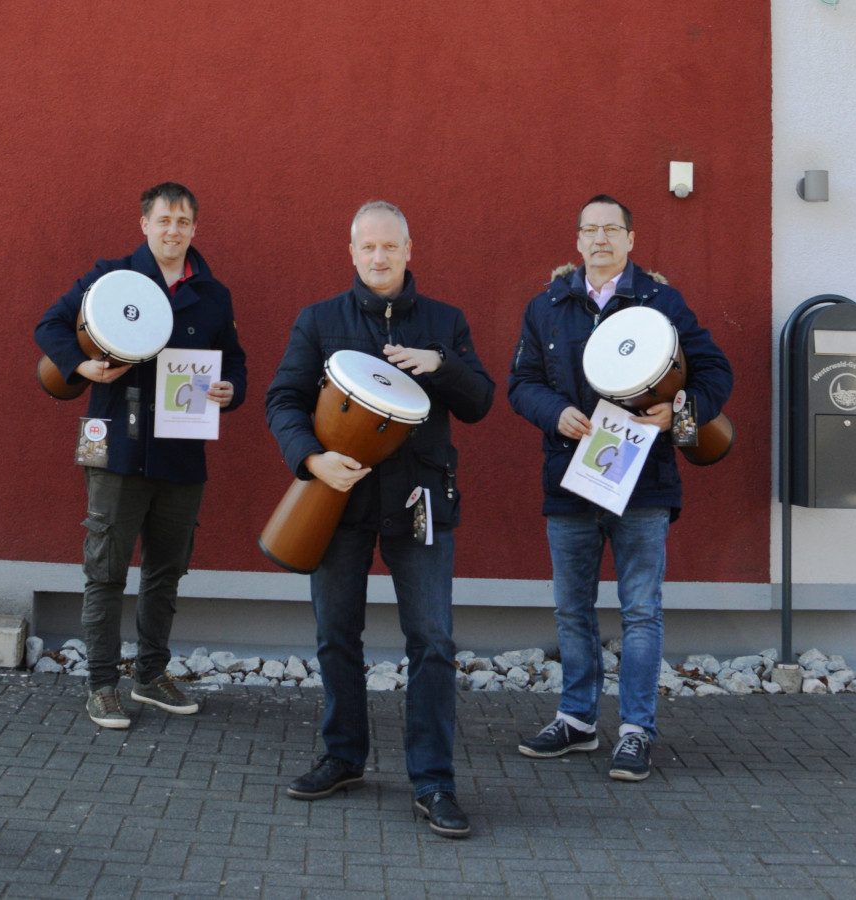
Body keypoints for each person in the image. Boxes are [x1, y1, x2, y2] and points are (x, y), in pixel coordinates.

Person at [265, 201, 494, 839]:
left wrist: (441, 366)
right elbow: (282, 398)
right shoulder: (319, 321)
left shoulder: (446, 322)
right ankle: (343, 757)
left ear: (409, 250)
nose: (379, 257)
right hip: (338, 500)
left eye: (390, 247)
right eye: (368, 247)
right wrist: (310, 458)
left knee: (433, 643)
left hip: (420, 501)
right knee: (336, 634)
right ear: (352, 252)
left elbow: (480, 401)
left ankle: (434, 781)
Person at [508, 194, 732, 781]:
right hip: (571, 479)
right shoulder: (547, 306)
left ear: (631, 239)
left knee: (640, 610)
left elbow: (714, 372)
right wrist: (555, 412)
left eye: (612, 229)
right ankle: (577, 720)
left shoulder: (662, 302)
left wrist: (676, 416)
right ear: (577, 240)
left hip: (644, 484)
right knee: (571, 608)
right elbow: (521, 382)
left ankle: (635, 731)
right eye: (590, 229)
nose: (600, 239)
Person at [35, 182, 246, 730]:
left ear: (195, 229)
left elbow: (236, 366)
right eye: (163, 221)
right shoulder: (111, 279)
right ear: (144, 225)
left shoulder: (214, 295)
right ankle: (102, 685)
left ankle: (150, 677)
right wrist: (79, 368)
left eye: (183, 222)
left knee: (165, 571)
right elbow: (50, 325)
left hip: (182, 452)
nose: (172, 231)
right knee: (105, 570)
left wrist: (231, 390)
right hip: (116, 446)